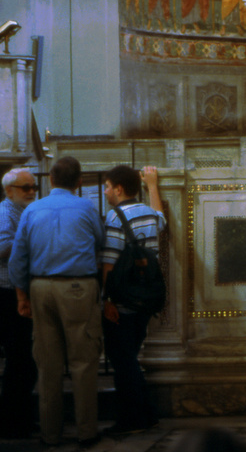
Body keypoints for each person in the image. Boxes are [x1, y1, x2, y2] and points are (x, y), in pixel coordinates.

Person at [9, 155, 104, 450]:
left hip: (40, 288)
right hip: (78, 287)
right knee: (83, 362)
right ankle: (86, 432)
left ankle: (50, 435)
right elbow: (100, 244)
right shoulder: (87, 207)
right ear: (78, 182)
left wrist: (22, 296)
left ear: (50, 179)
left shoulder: (31, 209)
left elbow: (17, 259)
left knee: (47, 364)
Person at [101, 165, 166, 436]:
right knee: (130, 357)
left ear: (118, 189)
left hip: (123, 301)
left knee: (122, 360)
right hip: (146, 299)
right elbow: (162, 218)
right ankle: (147, 415)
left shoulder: (114, 217)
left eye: (106, 186)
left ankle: (133, 419)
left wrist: (106, 301)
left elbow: (108, 263)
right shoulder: (150, 214)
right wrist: (152, 185)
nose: (105, 192)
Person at [0, 167, 38, 439]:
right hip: (10, 295)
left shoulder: (19, 211)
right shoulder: (6, 213)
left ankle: (21, 420)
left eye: (33, 187)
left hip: (18, 292)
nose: (31, 192)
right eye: (25, 187)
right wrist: (31, 240)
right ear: (9, 190)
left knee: (25, 363)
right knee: (18, 362)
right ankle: (9, 425)